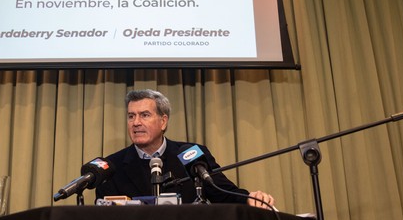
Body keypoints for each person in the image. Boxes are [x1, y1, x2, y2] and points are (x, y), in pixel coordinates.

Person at [95, 89, 276, 208]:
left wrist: (249, 198)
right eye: (131, 116)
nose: (136, 123)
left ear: (163, 121)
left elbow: (222, 192)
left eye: (144, 115)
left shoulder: (191, 155)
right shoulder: (113, 166)